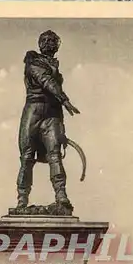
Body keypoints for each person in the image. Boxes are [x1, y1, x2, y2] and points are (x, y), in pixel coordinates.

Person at [17, 30, 80, 210]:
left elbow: (53, 88)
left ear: (57, 44)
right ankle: (22, 200)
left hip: (52, 114)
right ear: (39, 44)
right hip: (34, 111)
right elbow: (45, 81)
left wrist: (62, 128)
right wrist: (65, 100)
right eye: (44, 40)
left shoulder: (53, 64)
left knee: (55, 154)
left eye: (51, 41)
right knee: (27, 157)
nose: (48, 43)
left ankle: (61, 197)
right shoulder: (33, 62)